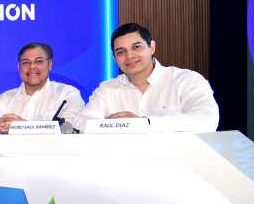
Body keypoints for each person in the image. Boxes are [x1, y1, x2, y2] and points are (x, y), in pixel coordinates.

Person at [74, 23, 219, 132]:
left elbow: (207, 120)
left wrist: (144, 123)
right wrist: (116, 125)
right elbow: (81, 122)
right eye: (121, 52)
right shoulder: (107, 88)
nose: (129, 56)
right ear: (114, 58)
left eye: (136, 47)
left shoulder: (186, 80)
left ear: (152, 47)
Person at [0, 43, 84, 133]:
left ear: (50, 64)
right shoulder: (5, 98)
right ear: (18, 66)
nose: (32, 67)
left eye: (38, 61)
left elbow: (70, 127)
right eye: (26, 62)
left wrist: (24, 126)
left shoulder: (67, 94)